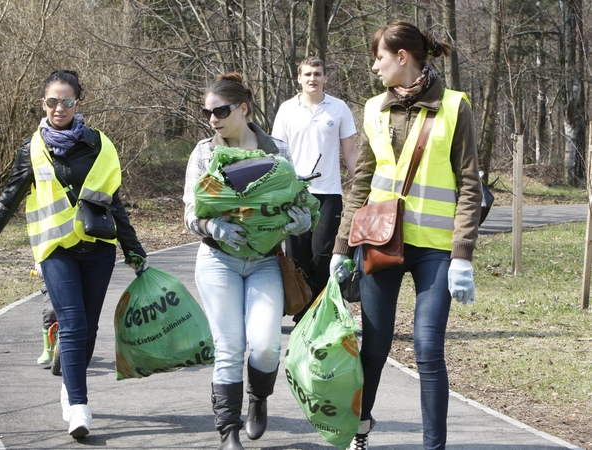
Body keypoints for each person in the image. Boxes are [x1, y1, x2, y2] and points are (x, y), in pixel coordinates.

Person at [0, 70, 148, 439]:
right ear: (43, 103)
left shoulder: (99, 145)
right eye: (52, 101)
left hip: (98, 248)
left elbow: (115, 204)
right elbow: (6, 202)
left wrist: (134, 250)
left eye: (67, 101)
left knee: (88, 329)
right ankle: (80, 408)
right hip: (55, 249)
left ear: (77, 104)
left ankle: (69, 386)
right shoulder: (32, 148)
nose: (59, 108)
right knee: (71, 324)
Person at [329, 22, 482, 450]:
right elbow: (361, 181)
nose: (374, 66)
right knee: (374, 348)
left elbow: (469, 184)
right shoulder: (373, 108)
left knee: (428, 349)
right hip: (379, 241)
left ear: (401, 57)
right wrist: (342, 247)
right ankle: (360, 430)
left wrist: (463, 254)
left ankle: (435, 447)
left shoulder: (454, 107)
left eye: (379, 57)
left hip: (436, 250)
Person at [183, 72, 312, 450]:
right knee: (230, 346)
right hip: (217, 260)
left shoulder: (277, 151)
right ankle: (228, 432)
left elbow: (297, 200)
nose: (213, 118)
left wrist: (301, 219)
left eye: (221, 110)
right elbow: (191, 212)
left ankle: (259, 399)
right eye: (207, 112)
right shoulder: (204, 153)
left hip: (265, 260)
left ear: (243, 109)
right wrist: (212, 226)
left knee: (266, 344)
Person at [271, 56, 358, 323]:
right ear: (298, 78)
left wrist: (364, 190)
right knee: (297, 255)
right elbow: (276, 154)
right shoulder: (287, 110)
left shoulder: (339, 108)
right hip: (294, 195)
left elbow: (351, 152)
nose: (313, 78)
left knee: (323, 254)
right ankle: (303, 314)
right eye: (307, 74)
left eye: (318, 74)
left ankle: (322, 313)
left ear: (325, 78)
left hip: (329, 193)